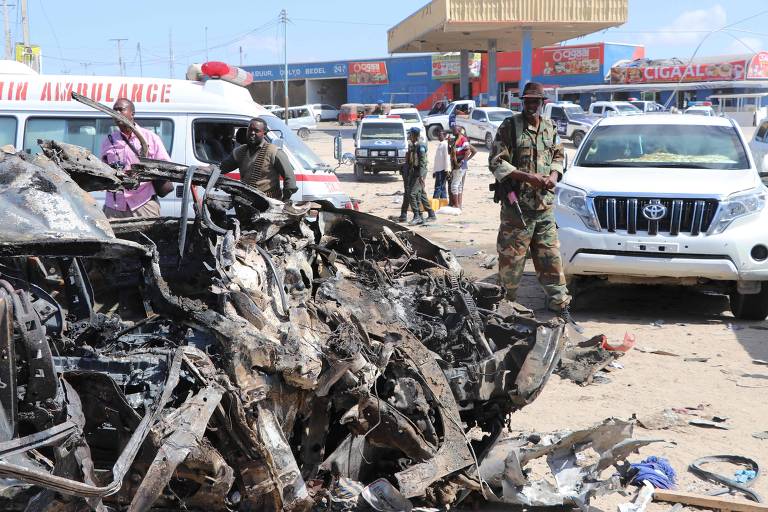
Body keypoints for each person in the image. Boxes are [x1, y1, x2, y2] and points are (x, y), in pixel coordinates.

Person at [488, 81, 575, 324]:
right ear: (522, 102)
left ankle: (560, 306)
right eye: (527, 101)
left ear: (542, 103)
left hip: (544, 208)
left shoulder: (550, 128)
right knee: (511, 264)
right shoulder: (510, 127)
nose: (531, 105)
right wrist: (528, 177)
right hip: (518, 211)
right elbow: (496, 161)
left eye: (536, 101)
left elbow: (558, 156)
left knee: (551, 260)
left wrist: (553, 177)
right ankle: (504, 310)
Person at [100, 98, 173, 218]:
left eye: (121, 109)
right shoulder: (108, 140)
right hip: (114, 206)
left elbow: (166, 166)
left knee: (148, 237)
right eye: (114, 110)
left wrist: (142, 172)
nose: (117, 113)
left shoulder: (150, 138)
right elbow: (103, 168)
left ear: (132, 113)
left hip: (142, 204)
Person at [219, 118, 297, 201]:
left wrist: (285, 200)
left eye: (256, 131)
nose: (252, 133)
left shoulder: (274, 152)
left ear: (264, 133)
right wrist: (206, 170)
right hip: (246, 203)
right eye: (250, 130)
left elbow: (290, 181)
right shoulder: (240, 151)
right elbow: (221, 168)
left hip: (268, 203)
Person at [405, 126, 436, 225]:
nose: (409, 136)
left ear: (414, 135)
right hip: (415, 171)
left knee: (412, 193)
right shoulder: (414, 145)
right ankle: (431, 214)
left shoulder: (420, 146)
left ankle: (417, 216)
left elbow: (422, 162)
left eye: (410, 134)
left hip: (419, 172)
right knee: (421, 193)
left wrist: (422, 176)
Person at [449, 125, 477, 209]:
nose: (452, 132)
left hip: (459, 166)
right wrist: (449, 143)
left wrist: (463, 161)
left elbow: (468, 151)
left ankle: (456, 205)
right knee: (459, 185)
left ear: (458, 131)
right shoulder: (455, 140)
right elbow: (451, 152)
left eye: (454, 130)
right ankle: (459, 205)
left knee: (454, 186)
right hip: (456, 165)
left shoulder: (463, 139)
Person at [432, 130, 450, 206]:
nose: (438, 137)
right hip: (438, 169)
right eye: (438, 135)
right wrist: (434, 171)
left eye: (440, 135)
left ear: (445, 136)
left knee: (438, 187)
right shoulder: (440, 144)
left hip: (442, 169)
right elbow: (437, 159)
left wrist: (447, 170)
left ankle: (434, 204)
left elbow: (447, 158)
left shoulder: (445, 144)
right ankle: (444, 204)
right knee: (442, 187)